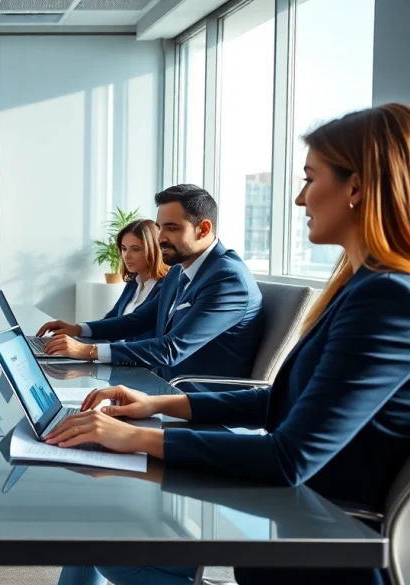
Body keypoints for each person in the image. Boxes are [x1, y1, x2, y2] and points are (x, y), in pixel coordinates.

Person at [49, 103, 410, 585]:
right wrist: (155, 404)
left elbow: (289, 458)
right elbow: (280, 401)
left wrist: (137, 438)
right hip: (298, 519)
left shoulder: (387, 299)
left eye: (309, 178)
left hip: (321, 545)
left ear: (357, 187)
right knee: (97, 534)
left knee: (107, 542)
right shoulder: (361, 288)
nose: (300, 200)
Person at [37, 185, 264, 383]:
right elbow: (137, 321)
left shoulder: (227, 279)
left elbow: (170, 349)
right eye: (160, 227)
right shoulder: (179, 271)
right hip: (157, 384)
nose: (160, 238)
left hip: (194, 397)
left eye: (172, 228)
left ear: (203, 229)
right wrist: (78, 329)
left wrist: (88, 351)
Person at [103, 219, 168, 322]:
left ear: (154, 250)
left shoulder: (166, 287)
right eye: (124, 249)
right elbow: (110, 319)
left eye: (135, 249)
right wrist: (77, 330)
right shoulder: (132, 284)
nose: (126, 256)